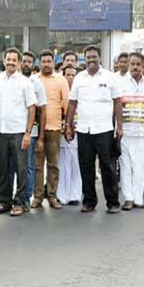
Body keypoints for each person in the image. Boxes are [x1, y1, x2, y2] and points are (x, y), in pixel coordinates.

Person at [65, 45, 122, 213]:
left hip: (104, 129)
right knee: (86, 166)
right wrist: (68, 125)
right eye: (88, 57)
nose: (91, 60)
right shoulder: (79, 78)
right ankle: (89, 202)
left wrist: (120, 126)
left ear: (99, 58)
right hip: (84, 130)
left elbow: (118, 102)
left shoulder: (110, 77)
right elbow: (73, 102)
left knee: (107, 166)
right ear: (85, 59)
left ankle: (112, 203)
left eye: (94, 57)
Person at [0, 48, 36, 216]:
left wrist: (27, 133)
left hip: (19, 132)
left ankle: (20, 202)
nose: (10, 62)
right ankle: (4, 200)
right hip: (1, 131)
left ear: (18, 63)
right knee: (2, 167)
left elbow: (32, 109)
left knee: (21, 167)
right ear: (3, 61)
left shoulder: (25, 82)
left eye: (14, 59)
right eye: (8, 59)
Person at [116, 52, 144, 209]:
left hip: (143, 132)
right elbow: (116, 106)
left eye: (139, 64)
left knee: (141, 166)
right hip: (125, 131)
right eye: (133, 64)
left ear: (143, 65)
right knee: (125, 166)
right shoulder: (120, 83)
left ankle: (139, 197)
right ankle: (128, 199)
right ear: (128, 65)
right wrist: (118, 128)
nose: (136, 67)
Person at [33, 50, 69, 209]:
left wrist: (67, 126)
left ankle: (52, 196)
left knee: (53, 164)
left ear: (53, 63)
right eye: (43, 61)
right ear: (39, 63)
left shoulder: (61, 80)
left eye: (49, 61)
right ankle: (38, 197)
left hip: (54, 128)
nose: (46, 64)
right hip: (36, 129)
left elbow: (66, 105)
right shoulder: (33, 80)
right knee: (37, 165)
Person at [21, 51, 48, 208]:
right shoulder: (14, 81)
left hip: (32, 132)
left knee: (29, 166)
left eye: (29, 62)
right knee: (15, 166)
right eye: (24, 61)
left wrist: (41, 137)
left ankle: (26, 197)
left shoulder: (37, 84)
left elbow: (42, 111)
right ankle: (15, 196)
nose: (26, 64)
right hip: (15, 130)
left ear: (33, 65)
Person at [57, 64, 82, 205]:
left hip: (78, 133)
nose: (71, 77)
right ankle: (61, 195)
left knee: (75, 164)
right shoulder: (59, 90)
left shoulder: (81, 90)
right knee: (62, 164)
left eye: (73, 74)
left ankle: (75, 194)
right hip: (61, 133)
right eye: (68, 74)